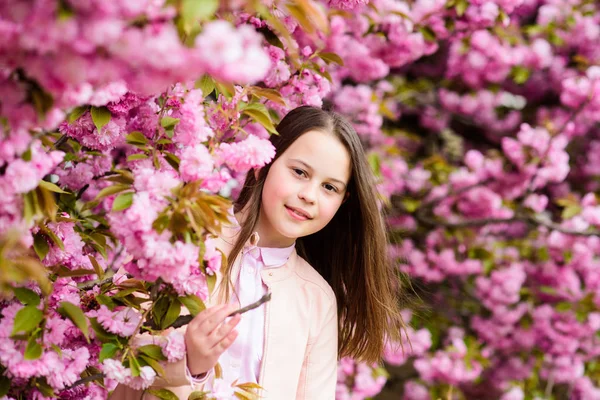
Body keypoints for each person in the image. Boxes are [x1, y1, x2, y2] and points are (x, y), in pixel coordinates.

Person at [110, 105, 405, 400]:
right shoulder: (185, 239)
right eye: (300, 172)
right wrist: (187, 362)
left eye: (329, 187)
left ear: (343, 202)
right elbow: (109, 350)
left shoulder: (317, 298)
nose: (309, 195)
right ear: (263, 163)